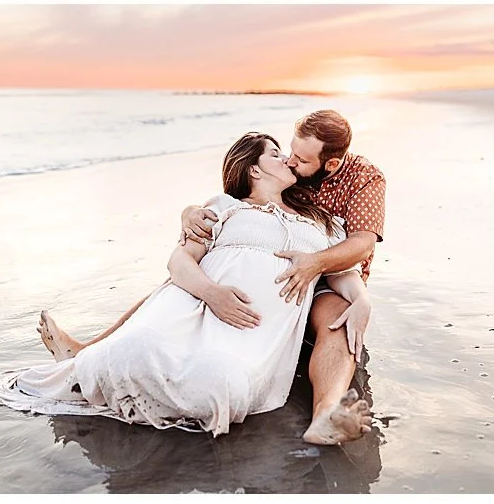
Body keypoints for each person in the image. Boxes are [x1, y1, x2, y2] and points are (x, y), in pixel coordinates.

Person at [34, 109, 384, 448]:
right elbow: (180, 261)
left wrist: (361, 299)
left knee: (225, 380)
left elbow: (349, 261)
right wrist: (212, 292)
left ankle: (326, 415)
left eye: (297, 158)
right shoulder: (224, 206)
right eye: (279, 154)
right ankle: (84, 354)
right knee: (136, 349)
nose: (290, 161)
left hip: (267, 321)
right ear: (254, 170)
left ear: (330, 163)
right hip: (201, 303)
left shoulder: (328, 216)